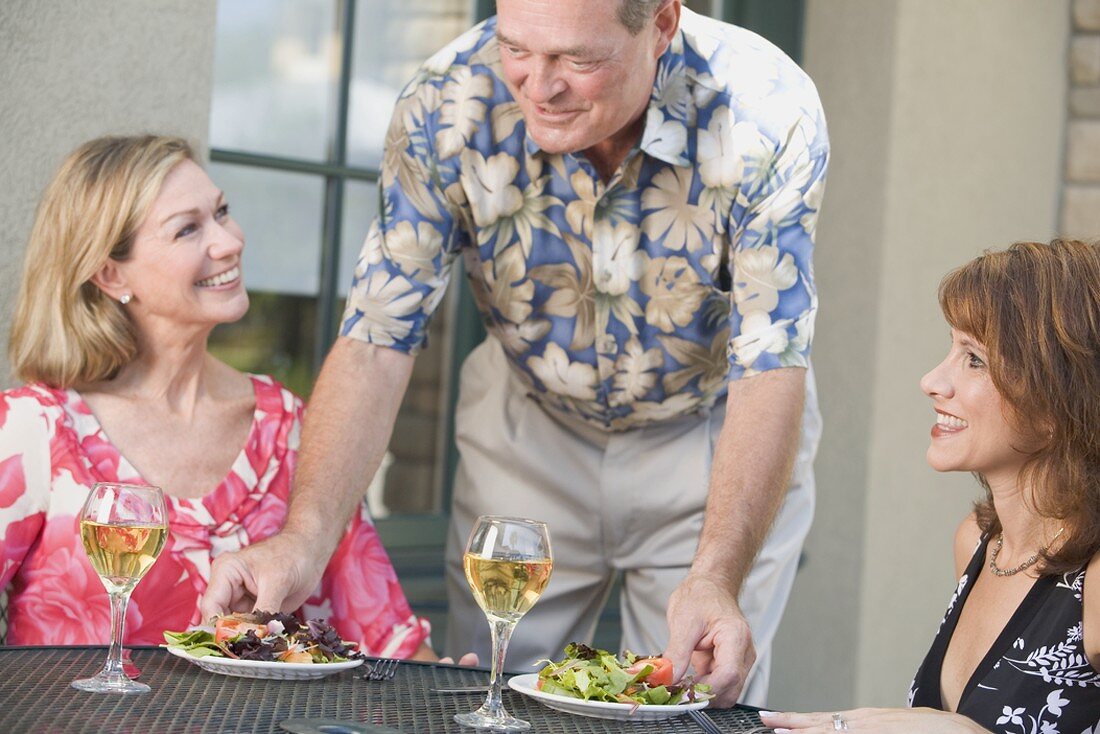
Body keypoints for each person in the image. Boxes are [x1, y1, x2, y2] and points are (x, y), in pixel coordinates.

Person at [202, 0, 828, 707]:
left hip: (712, 431)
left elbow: (770, 363)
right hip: (527, 425)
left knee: (687, 705)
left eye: (578, 60)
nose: (538, 85)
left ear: (661, 23)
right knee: (488, 697)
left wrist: (714, 576)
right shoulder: (445, 101)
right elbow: (378, 338)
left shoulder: (766, 109)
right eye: (517, 49)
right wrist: (304, 542)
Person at [0, 134, 434, 658]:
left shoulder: (288, 428)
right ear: (111, 273)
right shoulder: (35, 431)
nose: (230, 241)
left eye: (222, 212)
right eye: (188, 229)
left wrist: (446, 691)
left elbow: (388, 638)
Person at [761, 240, 1100, 733]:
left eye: (975, 360)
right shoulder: (980, 543)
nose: (931, 380)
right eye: (952, 348)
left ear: (1060, 396)